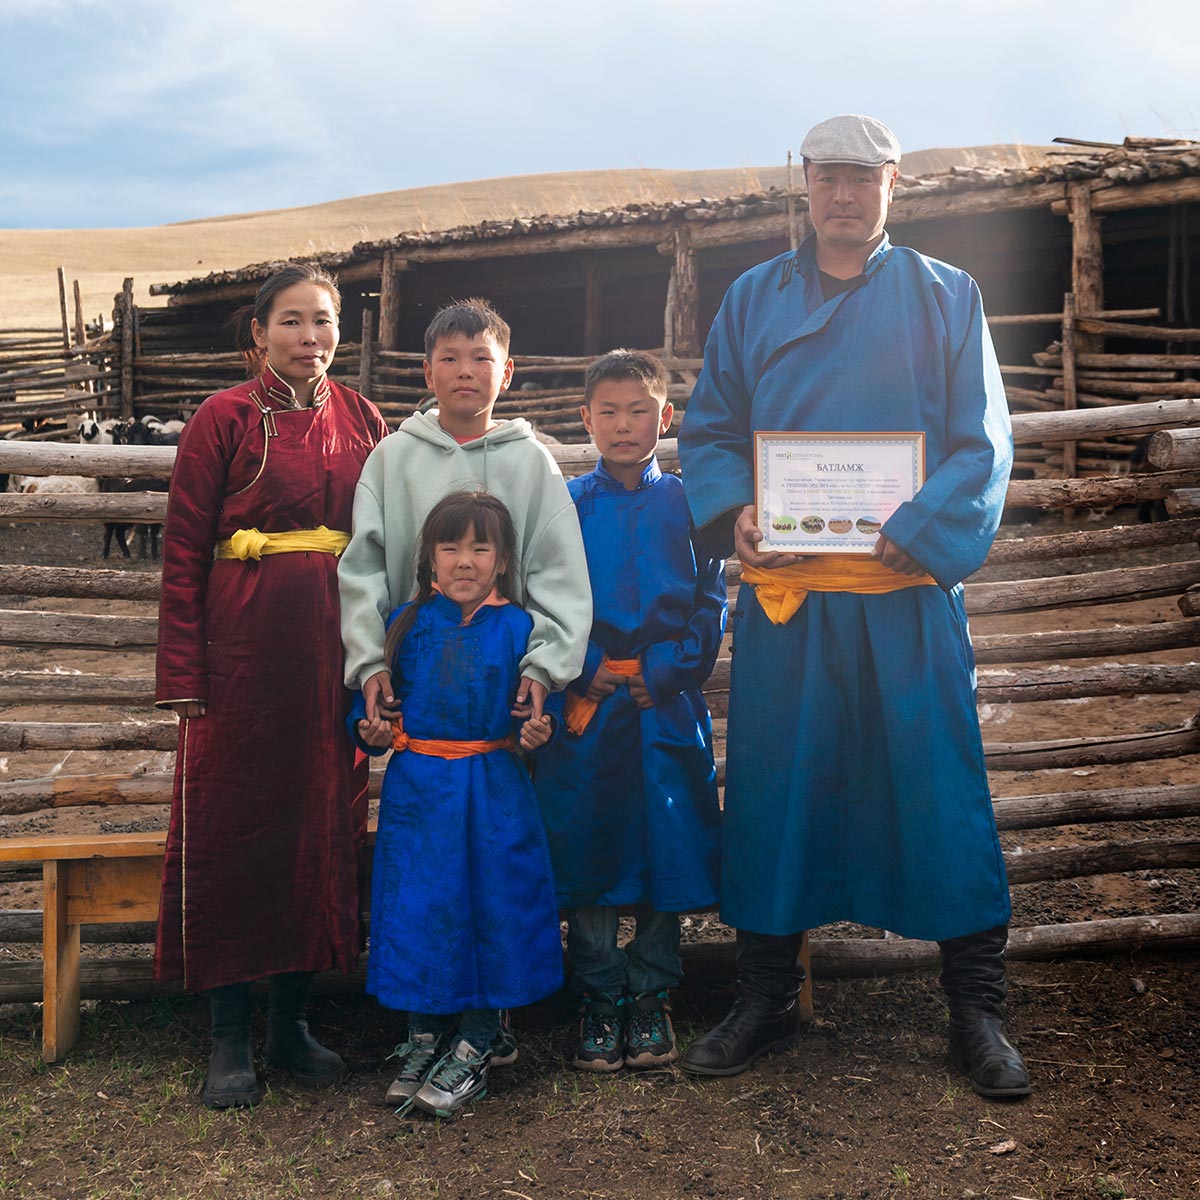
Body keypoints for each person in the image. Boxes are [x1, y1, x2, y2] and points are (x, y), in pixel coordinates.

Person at [676, 114, 1030, 1099]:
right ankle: (765, 997)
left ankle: (976, 1009)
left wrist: (922, 527)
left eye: (863, 178)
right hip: (792, 601)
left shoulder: (947, 295)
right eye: (828, 176)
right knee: (776, 791)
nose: (843, 194)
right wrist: (734, 511)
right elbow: (711, 430)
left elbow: (983, 442)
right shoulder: (752, 298)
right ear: (804, 181)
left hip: (905, 591)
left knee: (940, 789)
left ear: (892, 185)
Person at [154, 263, 389, 1109]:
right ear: (258, 333)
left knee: (317, 831)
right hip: (241, 657)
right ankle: (228, 1035)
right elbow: (184, 551)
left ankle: (290, 1023)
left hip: (332, 656)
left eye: (322, 321)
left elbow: (386, 543)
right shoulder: (221, 419)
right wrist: (184, 672)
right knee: (235, 829)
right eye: (291, 321)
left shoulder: (364, 418)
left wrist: (379, 663)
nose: (309, 337)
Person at [337, 297, 591, 1065]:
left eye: (482, 358)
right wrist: (371, 663)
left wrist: (544, 666)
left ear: (507, 372)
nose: (465, 372)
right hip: (422, 694)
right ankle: (431, 1019)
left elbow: (559, 573)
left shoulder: (530, 462)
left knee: (496, 863)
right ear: (426, 372)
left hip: (496, 695)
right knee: (428, 871)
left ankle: (490, 1021)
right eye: (449, 358)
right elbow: (364, 571)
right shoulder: (393, 459)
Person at [533, 350, 725, 1072]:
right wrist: (586, 667)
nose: (623, 425)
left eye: (638, 410)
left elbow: (710, 597)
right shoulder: (566, 504)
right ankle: (598, 993)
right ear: (585, 419)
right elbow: (542, 593)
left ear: (664, 418)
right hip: (589, 706)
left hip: (664, 705)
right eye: (608, 412)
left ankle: (651, 993)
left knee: (665, 844)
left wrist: (668, 669)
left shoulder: (688, 502)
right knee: (589, 845)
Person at [350, 491, 563, 1117]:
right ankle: (423, 1038)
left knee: (490, 907)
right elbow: (373, 710)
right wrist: (369, 730)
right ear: (429, 559)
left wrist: (538, 733)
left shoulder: (520, 630)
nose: (465, 561)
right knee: (421, 908)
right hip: (418, 794)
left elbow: (536, 716)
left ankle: (476, 1042)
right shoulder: (406, 624)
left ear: (504, 561)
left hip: (494, 792)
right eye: (450, 547)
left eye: (480, 548)